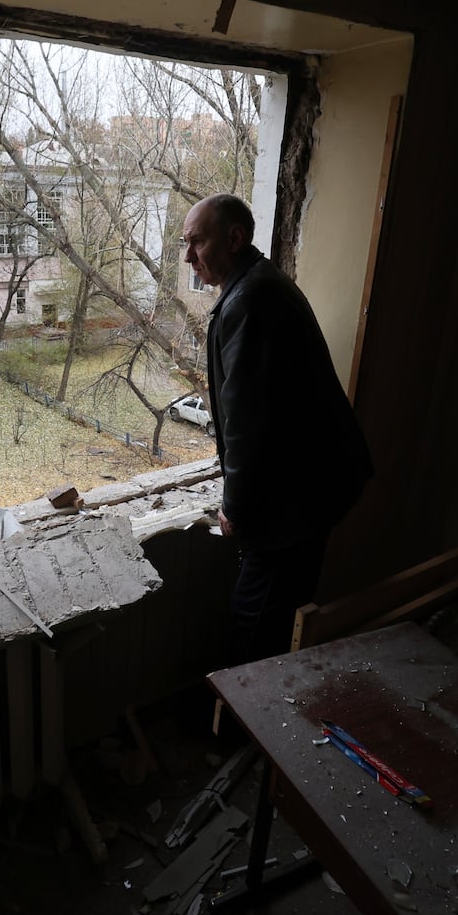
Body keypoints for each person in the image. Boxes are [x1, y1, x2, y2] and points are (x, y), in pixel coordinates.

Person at [184, 193, 373, 666]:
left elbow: (249, 423)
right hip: (310, 488)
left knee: (256, 623)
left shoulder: (250, 301)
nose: (188, 256)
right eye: (185, 243)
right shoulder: (257, 286)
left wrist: (235, 508)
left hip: (294, 502)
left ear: (234, 238)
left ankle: (236, 730)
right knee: (276, 611)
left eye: (198, 241)